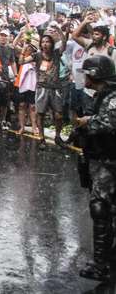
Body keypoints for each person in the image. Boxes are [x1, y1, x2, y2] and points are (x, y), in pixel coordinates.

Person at [73, 55, 116, 281]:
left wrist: (87, 123)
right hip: (104, 158)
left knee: (100, 208)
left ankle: (101, 265)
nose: (85, 77)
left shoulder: (112, 97)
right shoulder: (103, 95)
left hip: (110, 161)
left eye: (88, 73)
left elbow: (108, 124)